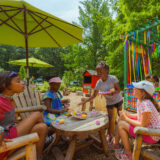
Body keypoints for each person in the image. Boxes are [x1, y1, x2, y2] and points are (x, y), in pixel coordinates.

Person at [0, 71, 47, 160]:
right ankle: (44, 140)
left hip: (9, 134)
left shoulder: (7, 100)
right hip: (4, 146)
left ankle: (37, 157)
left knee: (42, 127)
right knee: (37, 114)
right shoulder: (0, 102)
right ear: (5, 85)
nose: (22, 83)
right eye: (18, 81)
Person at [113, 80, 160, 160]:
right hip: (148, 129)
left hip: (152, 135)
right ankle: (116, 143)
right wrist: (127, 115)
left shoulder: (145, 104)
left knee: (121, 124)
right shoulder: (141, 101)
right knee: (121, 119)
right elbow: (139, 116)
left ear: (143, 93)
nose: (133, 89)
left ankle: (128, 154)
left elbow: (142, 125)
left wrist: (126, 118)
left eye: (136, 88)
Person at [79, 61, 123, 142]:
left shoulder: (113, 78)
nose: (99, 74)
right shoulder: (98, 82)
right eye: (98, 72)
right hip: (109, 102)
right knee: (110, 117)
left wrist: (113, 92)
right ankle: (109, 134)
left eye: (101, 72)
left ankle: (123, 133)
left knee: (121, 116)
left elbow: (118, 90)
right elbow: (94, 95)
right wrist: (85, 101)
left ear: (106, 71)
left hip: (118, 99)